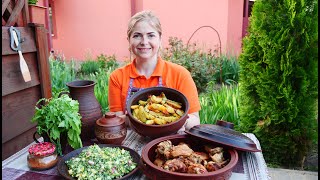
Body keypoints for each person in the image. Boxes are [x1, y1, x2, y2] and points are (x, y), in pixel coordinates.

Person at [108, 10, 201, 132]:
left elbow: (194, 120)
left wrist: (177, 122)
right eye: (137, 35)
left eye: (151, 35)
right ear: (129, 40)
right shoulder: (117, 77)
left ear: (160, 39)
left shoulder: (180, 74)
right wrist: (142, 118)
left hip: (171, 140)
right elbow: (116, 121)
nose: (144, 42)